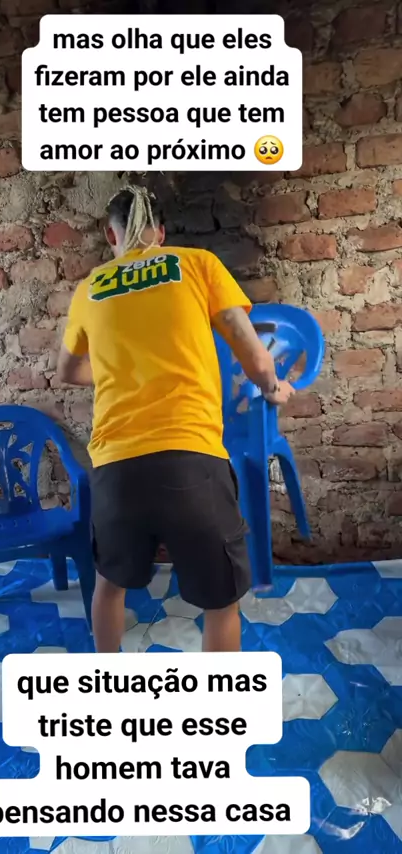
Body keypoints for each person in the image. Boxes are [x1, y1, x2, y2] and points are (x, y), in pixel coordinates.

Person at [57, 185, 294, 653]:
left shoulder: (90, 288)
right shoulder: (197, 263)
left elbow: (67, 371)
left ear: (111, 235)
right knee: (220, 604)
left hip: (116, 468)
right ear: (161, 233)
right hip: (191, 459)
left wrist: (121, 370)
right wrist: (273, 387)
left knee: (109, 586)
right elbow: (251, 349)